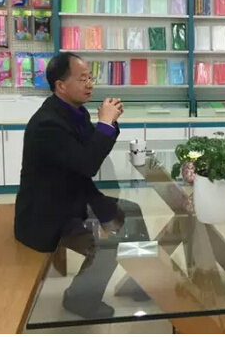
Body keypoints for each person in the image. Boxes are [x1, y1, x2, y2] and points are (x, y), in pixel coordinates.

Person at [14, 52, 149, 319]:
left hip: (73, 198)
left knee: (131, 211)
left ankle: (142, 278)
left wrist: (108, 124)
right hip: (48, 214)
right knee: (108, 239)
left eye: (90, 77)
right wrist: (105, 124)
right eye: (82, 79)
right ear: (60, 86)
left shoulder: (75, 112)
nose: (89, 84)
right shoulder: (48, 124)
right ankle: (79, 299)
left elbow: (91, 152)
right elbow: (88, 164)